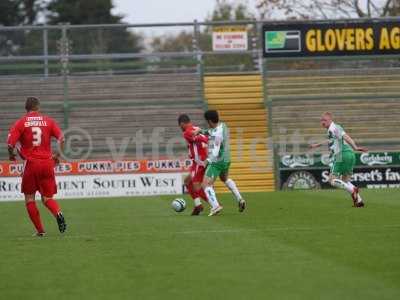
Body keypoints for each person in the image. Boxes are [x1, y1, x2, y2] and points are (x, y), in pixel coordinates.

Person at [7, 97, 67, 236]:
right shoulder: (49, 121)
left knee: (29, 198)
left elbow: (10, 144)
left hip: (32, 163)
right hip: (47, 163)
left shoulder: (21, 123)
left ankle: (40, 231)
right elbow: (62, 139)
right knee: (47, 198)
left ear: (26, 108)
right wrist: (57, 156)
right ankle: (58, 213)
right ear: (38, 107)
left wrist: (12, 155)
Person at [310, 112, 367, 207]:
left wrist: (355, 147)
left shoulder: (333, 128)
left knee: (332, 180)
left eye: (325, 120)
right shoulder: (334, 128)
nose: (322, 122)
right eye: (321, 120)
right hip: (350, 155)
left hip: (341, 155)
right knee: (345, 181)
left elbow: (346, 137)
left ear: (330, 120)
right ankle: (359, 201)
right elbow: (330, 140)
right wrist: (317, 145)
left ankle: (353, 190)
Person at [199, 110, 246, 216]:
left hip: (217, 161)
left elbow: (215, 150)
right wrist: (201, 131)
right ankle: (240, 199)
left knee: (206, 184)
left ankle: (215, 206)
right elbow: (211, 132)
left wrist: (207, 161)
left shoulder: (217, 134)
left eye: (207, 121)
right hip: (226, 159)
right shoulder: (223, 126)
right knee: (224, 178)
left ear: (210, 121)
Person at [178, 114, 209, 215]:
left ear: (182, 123)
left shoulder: (187, 132)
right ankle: (198, 205)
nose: (180, 128)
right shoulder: (196, 128)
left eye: (180, 126)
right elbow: (206, 138)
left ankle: (214, 203)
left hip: (199, 161)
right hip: (202, 159)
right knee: (187, 181)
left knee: (197, 186)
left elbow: (195, 138)